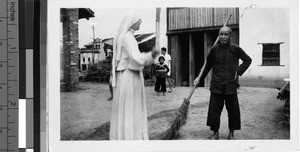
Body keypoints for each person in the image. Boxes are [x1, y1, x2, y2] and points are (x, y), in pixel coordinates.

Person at [194, 26, 252, 140]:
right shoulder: (214, 49)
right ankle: (215, 133)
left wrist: (238, 71)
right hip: (217, 85)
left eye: (226, 34)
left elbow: (248, 60)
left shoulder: (236, 49)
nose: (223, 37)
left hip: (231, 85)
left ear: (231, 36)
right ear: (218, 35)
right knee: (214, 111)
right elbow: (207, 66)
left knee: (233, 111)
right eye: (221, 34)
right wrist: (199, 78)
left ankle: (231, 133)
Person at [110, 11, 160, 140]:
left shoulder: (124, 36)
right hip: (130, 78)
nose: (141, 22)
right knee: (131, 109)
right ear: (132, 21)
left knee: (126, 109)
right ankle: (131, 138)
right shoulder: (128, 37)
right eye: (139, 20)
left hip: (125, 77)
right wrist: (151, 55)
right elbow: (136, 58)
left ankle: (124, 136)